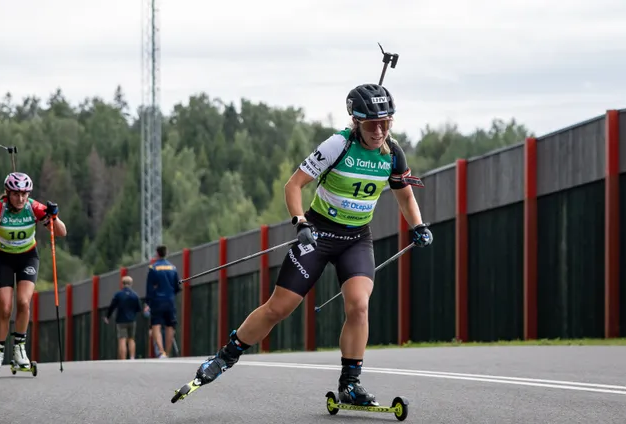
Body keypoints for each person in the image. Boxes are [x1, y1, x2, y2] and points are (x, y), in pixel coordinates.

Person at [188, 83, 432, 405]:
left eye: (387, 123)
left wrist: (418, 225)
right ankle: (226, 355)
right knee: (280, 307)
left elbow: (405, 196)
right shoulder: (338, 145)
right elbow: (294, 185)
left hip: (356, 239)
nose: (381, 130)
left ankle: (350, 383)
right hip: (318, 233)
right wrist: (300, 222)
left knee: (359, 305)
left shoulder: (392, 153)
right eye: (374, 124)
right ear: (357, 121)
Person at [0, 172, 67, 374]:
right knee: (4, 307)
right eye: (15, 194)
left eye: (24, 193)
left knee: (23, 302)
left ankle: (19, 350)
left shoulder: (34, 208)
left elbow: (62, 232)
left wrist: (54, 218)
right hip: (4, 259)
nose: (20, 198)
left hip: (28, 258)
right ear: (7, 193)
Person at [145, 245, 181, 358]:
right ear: (167, 253)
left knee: (156, 325)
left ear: (157, 253)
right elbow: (177, 287)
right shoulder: (173, 268)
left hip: (157, 300)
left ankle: (161, 352)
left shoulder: (153, 268)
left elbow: (149, 288)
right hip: (170, 300)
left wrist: (148, 302)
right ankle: (168, 351)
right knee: (170, 325)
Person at [104, 275, 145, 359]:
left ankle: (123, 359)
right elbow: (139, 308)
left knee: (122, 339)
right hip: (132, 320)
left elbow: (112, 306)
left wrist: (107, 317)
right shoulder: (135, 295)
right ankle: (132, 357)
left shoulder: (118, 295)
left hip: (121, 320)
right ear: (131, 284)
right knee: (131, 339)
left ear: (122, 284)